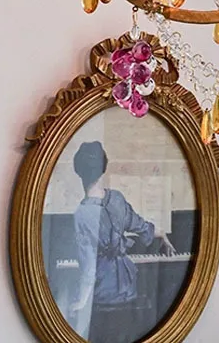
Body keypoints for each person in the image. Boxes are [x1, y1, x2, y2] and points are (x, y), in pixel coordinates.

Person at [69, 141, 174, 343]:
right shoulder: (116, 198)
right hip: (127, 285)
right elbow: (141, 226)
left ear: (79, 171)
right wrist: (161, 234)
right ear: (103, 169)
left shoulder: (81, 214)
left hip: (103, 292)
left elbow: (89, 268)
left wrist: (81, 302)